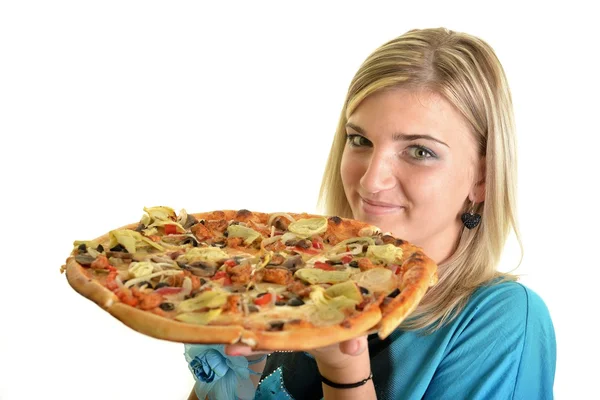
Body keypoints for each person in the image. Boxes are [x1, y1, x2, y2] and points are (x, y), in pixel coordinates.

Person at [186, 27, 556, 400]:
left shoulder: (503, 320)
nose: (371, 180)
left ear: (482, 178)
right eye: (360, 141)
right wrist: (223, 382)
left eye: (420, 152)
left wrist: (344, 371)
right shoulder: (296, 286)